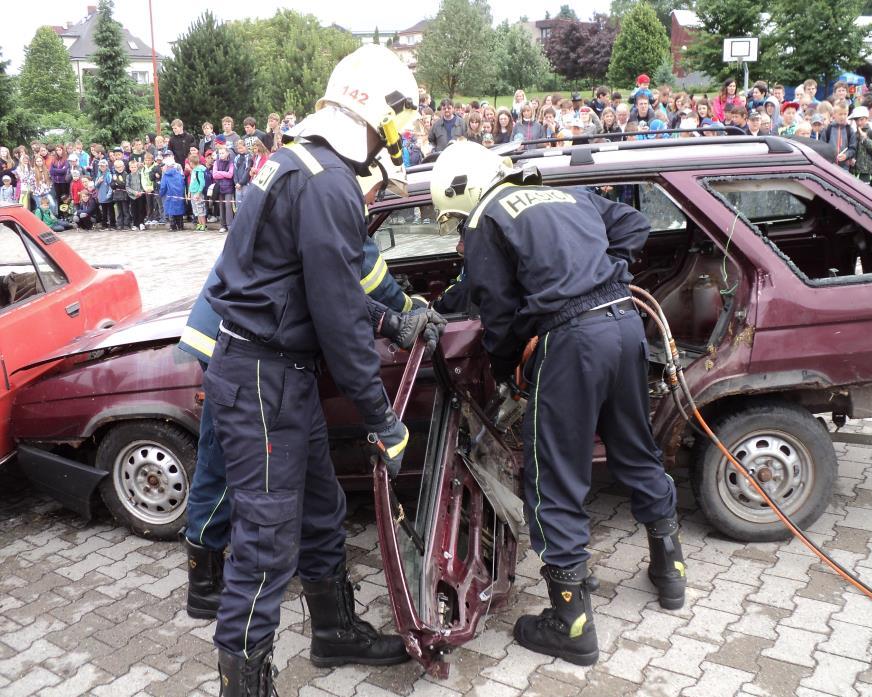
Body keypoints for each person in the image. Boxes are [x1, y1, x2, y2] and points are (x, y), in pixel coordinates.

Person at [203, 44, 424, 694]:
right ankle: (244, 682)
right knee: (266, 541)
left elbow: (315, 283)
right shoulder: (328, 182)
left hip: (271, 373)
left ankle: (333, 634)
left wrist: (390, 320)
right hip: (264, 380)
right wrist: (382, 418)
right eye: (397, 118)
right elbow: (332, 312)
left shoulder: (293, 162)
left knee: (321, 509)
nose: (397, 135)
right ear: (373, 109)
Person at [429, 141, 684, 667]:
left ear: (466, 191)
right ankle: (670, 574)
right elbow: (635, 225)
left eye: (455, 218)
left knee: (553, 477)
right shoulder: (564, 194)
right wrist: (604, 274)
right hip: (624, 325)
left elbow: (497, 315)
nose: (459, 229)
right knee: (635, 449)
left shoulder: (486, 218)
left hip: (572, 344)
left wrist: (505, 376)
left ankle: (572, 624)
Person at [849, 106, 872, 183]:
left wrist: (865, 139)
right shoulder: (854, 134)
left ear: (866, 119)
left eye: (861, 119)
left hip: (865, 172)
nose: (859, 123)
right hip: (853, 170)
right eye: (856, 120)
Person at [213, 145, 236, 232]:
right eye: (220, 153)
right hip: (219, 187)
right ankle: (223, 225)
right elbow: (214, 175)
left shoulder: (231, 162)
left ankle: (230, 225)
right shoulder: (216, 162)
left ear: (227, 153)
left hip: (229, 187)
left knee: (228, 206)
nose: (221, 155)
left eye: (223, 153)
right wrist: (224, 173)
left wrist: (220, 173)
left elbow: (230, 175)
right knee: (221, 206)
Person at [160, 157, 186, 230]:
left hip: (169, 196)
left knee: (171, 211)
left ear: (167, 166)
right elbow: (183, 184)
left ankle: (173, 226)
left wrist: (161, 194)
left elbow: (163, 187)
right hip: (179, 196)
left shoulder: (166, 176)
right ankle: (180, 226)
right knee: (179, 210)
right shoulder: (179, 174)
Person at [188, 154, 208, 231]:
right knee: (195, 210)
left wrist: (198, 193)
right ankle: (199, 224)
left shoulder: (199, 171)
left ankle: (204, 225)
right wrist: (189, 192)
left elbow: (202, 183)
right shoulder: (193, 171)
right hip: (193, 192)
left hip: (198, 193)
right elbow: (192, 182)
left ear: (192, 163)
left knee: (200, 209)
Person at [110, 159, 129, 229]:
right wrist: (115, 183)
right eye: (117, 167)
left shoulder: (126, 174)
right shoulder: (114, 175)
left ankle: (126, 224)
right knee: (119, 210)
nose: (119, 168)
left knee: (125, 210)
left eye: (120, 167)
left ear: (123, 167)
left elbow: (124, 184)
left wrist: (116, 181)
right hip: (117, 196)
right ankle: (120, 224)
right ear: (115, 168)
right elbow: (112, 185)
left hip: (124, 195)